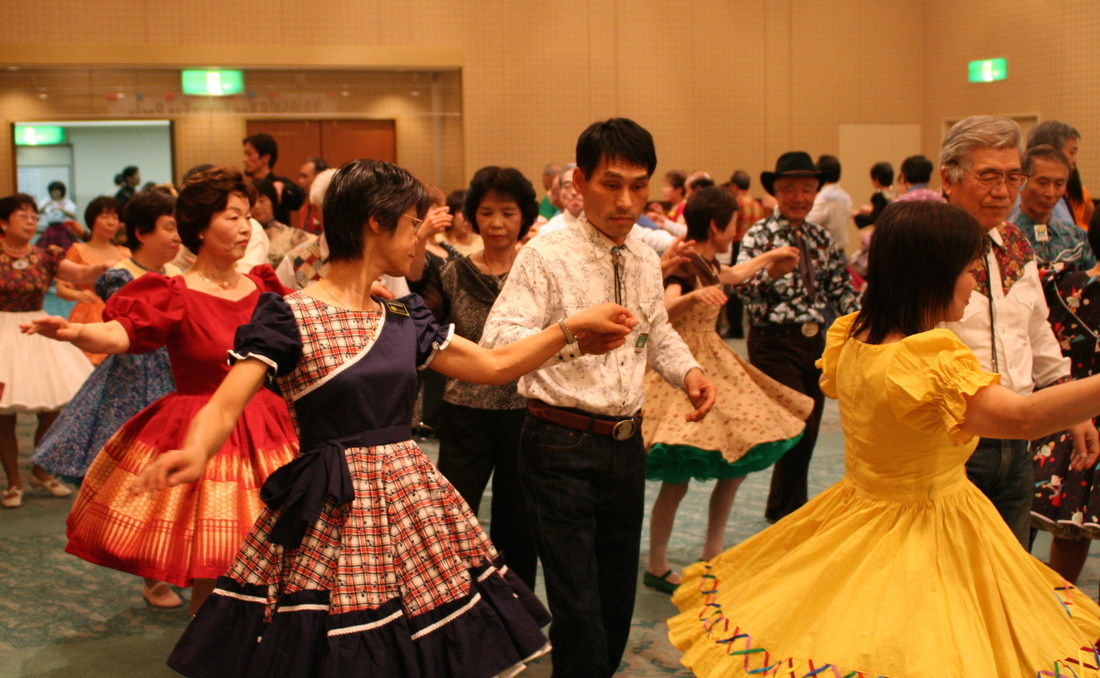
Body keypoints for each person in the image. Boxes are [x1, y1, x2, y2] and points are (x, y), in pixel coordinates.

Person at [130, 159, 636, 677]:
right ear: (376, 221)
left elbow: (494, 366)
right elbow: (224, 403)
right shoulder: (289, 315)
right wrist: (195, 451)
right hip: (334, 508)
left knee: (417, 645)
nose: (419, 237)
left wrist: (571, 330)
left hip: (412, 504)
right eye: (413, 223)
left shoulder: (401, 314)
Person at [670, 200, 1100, 677]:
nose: (975, 280)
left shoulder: (855, 335)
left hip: (860, 508)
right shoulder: (927, 360)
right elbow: (1023, 419)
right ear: (931, 275)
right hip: (926, 525)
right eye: (968, 270)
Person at [482, 118, 716, 677]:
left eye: (638, 186)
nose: (626, 201)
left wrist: (688, 372)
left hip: (626, 445)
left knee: (615, 604)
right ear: (580, 183)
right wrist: (572, 337)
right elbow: (498, 343)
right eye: (612, 184)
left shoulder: (643, 256)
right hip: (557, 442)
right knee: (579, 610)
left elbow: (656, 332)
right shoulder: (546, 254)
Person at [24, 167, 298, 614]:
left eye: (247, 216)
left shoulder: (264, 287)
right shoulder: (174, 291)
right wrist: (74, 332)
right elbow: (121, 334)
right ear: (200, 227)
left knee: (280, 555)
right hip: (203, 431)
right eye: (232, 217)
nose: (245, 227)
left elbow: (311, 321)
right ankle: (211, 644)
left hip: (269, 430)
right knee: (218, 562)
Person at [642, 186, 810, 594]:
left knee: (737, 458)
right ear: (716, 226)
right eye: (734, 225)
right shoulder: (685, 264)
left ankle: (712, 552)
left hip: (713, 361)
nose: (737, 233)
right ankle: (658, 563)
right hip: (683, 366)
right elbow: (662, 310)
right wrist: (695, 295)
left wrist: (771, 256)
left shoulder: (707, 261)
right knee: (677, 478)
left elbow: (732, 275)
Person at [938, 115, 1092, 547]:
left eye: (1013, 177)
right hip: (947, 441)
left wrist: (1073, 409)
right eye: (988, 176)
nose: (1003, 191)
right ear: (948, 178)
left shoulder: (1017, 243)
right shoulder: (926, 244)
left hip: (1017, 442)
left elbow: (1036, 332)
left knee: (1011, 566)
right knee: (951, 569)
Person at [421, 166, 541, 589]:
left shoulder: (538, 272)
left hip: (525, 414)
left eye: (508, 213)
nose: (497, 223)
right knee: (454, 515)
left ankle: (518, 604)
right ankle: (455, 602)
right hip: (465, 415)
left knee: (519, 521)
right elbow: (426, 332)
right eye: (487, 212)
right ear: (472, 216)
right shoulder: (453, 273)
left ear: (524, 217)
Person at [736, 151, 860, 522]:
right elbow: (741, 289)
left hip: (815, 341)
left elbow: (840, 289)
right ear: (776, 192)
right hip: (772, 341)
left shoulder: (821, 237)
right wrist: (771, 274)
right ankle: (788, 511)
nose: (799, 197)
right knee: (798, 421)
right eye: (790, 189)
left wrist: (867, 319)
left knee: (810, 428)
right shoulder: (760, 235)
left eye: (807, 189)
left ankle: (786, 507)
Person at [33, 189, 181, 486]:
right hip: (134, 377)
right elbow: (122, 331)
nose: (177, 236)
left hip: (176, 374)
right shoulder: (120, 275)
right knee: (126, 467)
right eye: (169, 228)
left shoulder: (179, 273)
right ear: (141, 233)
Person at [0, 194, 108, 509]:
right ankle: (13, 482)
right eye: (22, 215)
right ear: (3, 223)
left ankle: (39, 470)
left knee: (52, 406)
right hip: (3, 330)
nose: (31, 220)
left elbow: (79, 274)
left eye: (34, 215)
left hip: (37, 329)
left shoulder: (45, 255)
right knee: (4, 413)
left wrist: (101, 267)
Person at [1029, 220, 1100, 589]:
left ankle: (1057, 609)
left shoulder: (1059, 284)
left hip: (1066, 411)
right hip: (1076, 415)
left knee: (1071, 526)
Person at [56, 196, 131, 365]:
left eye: (114, 217)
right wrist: (78, 294)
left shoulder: (126, 253)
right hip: (86, 316)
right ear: (92, 220)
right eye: (104, 217)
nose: (111, 222)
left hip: (120, 317)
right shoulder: (78, 250)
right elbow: (61, 289)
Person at [1008, 144, 1094, 269]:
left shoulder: (1077, 238)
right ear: (1022, 181)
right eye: (1043, 183)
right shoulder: (1005, 238)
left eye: (1058, 184)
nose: (1050, 193)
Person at [1027, 120, 1093, 229]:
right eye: (1071, 153)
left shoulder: (1077, 192)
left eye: (1058, 184)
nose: (1050, 193)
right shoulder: (1019, 198)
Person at [243, 133, 305, 226]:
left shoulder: (280, 184)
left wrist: (284, 188)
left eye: (249, 154)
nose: (244, 159)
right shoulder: (245, 185)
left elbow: (298, 199)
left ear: (265, 157)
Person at [807, 154, 853, 256]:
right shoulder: (845, 197)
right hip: (841, 252)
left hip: (827, 254)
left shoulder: (824, 198)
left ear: (820, 173)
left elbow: (807, 222)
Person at [36, 181, 82, 248]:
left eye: (57, 191)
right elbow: (37, 212)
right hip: (51, 228)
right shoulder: (46, 201)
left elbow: (73, 215)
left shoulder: (66, 202)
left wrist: (61, 209)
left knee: (67, 247)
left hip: (62, 228)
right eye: (53, 191)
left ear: (62, 192)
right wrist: (46, 205)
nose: (55, 193)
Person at [438, 188, 482, 256]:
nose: (468, 220)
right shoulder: (439, 240)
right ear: (451, 215)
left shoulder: (482, 242)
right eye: (464, 215)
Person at [295, 156, 328, 234]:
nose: (300, 181)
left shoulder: (328, 209)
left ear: (319, 177)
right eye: (300, 176)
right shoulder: (304, 208)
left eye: (305, 176)